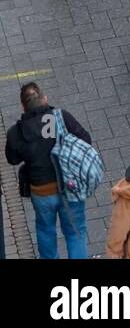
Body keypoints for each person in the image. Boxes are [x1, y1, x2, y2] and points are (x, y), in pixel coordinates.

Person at [4, 82, 94, 259]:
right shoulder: (61, 118)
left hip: (41, 193)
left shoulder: (16, 132)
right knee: (76, 234)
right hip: (69, 188)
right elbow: (86, 140)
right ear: (45, 99)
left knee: (46, 232)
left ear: (23, 106)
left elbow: (12, 159)